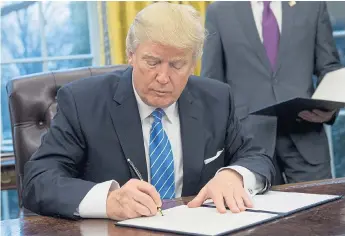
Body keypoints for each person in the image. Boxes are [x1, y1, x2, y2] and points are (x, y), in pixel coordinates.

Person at [22, 2, 275, 220]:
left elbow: (258, 158)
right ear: (131, 55)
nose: (163, 77)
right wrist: (107, 201)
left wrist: (235, 175)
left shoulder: (216, 99)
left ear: (193, 64)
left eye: (177, 65)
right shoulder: (82, 102)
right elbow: (38, 181)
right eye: (152, 62)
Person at [201, 1, 343, 184]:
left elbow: (329, 67)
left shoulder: (312, 5)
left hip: (307, 136)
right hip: (247, 146)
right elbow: (213, 83)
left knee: (323, 211)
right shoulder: (219, 11)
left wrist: (330, 107)